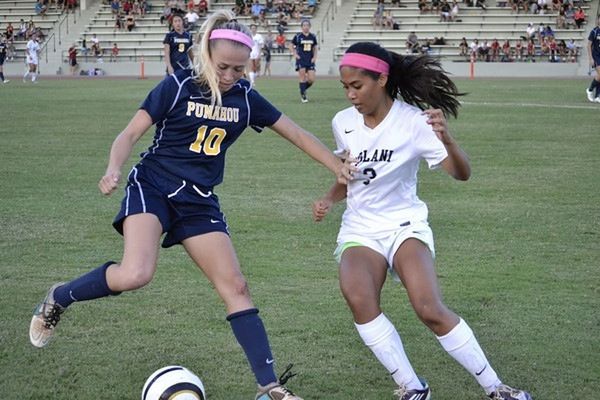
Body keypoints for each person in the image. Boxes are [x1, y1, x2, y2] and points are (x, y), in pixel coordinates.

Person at [28, 9, 353, 400]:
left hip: (199, 201)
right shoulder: (178, 85)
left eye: (239, 68)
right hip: (153, 187)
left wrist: (337, 166)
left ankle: (270, 389)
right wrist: (113, 168)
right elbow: (130, 133)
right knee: (135, 274)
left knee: (236, 285)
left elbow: (297, 134)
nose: (230, 76)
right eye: (223, 67)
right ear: (204, 54)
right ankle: (59, 296)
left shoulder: (247, 98)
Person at [311, 41, 534, 400]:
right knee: (359, 300)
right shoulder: (343, 123)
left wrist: (447, 138)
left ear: (381, 79)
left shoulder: (414, 122)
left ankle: (497, 389)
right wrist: (328, 197)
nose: (351, 95)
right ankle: (413, 388)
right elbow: (351, 175)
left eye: (357, 86)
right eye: (345, 88)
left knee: (429, 308)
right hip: (360, 229)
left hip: (404, 226)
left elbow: (461, 174)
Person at [291, 19, 318, 103]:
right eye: (304, 25)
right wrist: (295, 54)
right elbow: (291, 45)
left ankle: (302, 89)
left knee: (311, 79)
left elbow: (315, 47)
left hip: (310, 59)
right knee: (302, 77)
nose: (306, 27)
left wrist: (315, 57)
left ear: (309, 27)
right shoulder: (298, 36)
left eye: (307, 25)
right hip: (301, 59)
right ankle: (303, 96)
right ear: (302, 27)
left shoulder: (312, 36)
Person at [586, 15, 600, 103]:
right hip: (596, 56)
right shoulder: (594, 31)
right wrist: (591, 58)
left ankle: (597, 96)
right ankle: (590, 89)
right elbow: (588, 45)